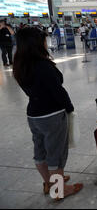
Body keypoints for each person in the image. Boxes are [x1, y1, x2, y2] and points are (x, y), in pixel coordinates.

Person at [12, 27, 83, 200]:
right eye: (44, 40)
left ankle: (49, 183)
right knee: (56, 155)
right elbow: (57, 90)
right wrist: (69, 107)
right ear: (36, 43)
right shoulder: (43, 65)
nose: (46, 42)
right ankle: (59, 190)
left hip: (33, 115)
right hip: (51, 115)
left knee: (40, 151)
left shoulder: (20, 64)